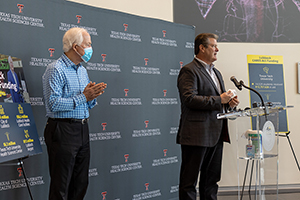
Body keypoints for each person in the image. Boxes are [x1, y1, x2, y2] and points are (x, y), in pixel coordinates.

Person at [42, 27, 107, 200]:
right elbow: (53, 103)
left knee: (80, 183)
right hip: (62, 130)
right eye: (88, 44)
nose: (90, 49)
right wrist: (83, 96)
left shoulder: (82, 70)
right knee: (61, 186)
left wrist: (91, 95)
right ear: (76, 47)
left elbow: (86, 103)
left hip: (82, 129)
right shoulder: (55, 69)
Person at [177, 33, 239, 200]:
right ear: (201, 48)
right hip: (196, 135)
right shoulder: (189, 70)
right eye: (213, 46)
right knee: (189, 183)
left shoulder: (217, 73)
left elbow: (219, 100)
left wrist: (228, 103)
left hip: (216, 133)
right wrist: (220, 99)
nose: (217, 49)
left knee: (211, 181)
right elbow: (189, 99)